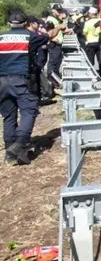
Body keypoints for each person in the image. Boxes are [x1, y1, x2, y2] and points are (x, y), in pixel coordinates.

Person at [1, 11, 48, 165]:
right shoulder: (29, 37)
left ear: (9, 24)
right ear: (26, 23)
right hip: (20, 79)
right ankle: (20, 144)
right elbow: (46, 37)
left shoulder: (1, 37)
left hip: (1, 81)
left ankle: (10, 151)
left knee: (8, 115)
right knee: (29, 110)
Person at [44, 4, 69, 88]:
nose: (59, 12)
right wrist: (52, 39)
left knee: (57, 63)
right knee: (53, 63)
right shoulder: (51, 20)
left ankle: (56, 80)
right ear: (53, 10)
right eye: (58, 11)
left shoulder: (56, 19)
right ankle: (52, 80)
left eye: (60, 11)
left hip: (58, 45)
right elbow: (47, 32)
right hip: (54, 44)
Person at [82, 7, 101, 73]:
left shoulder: (87, 22)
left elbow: (84, 33)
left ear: (91, 14)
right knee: (100, 59)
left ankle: (91, 73)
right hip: (99, 42)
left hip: (90, 43)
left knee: (90, 59)